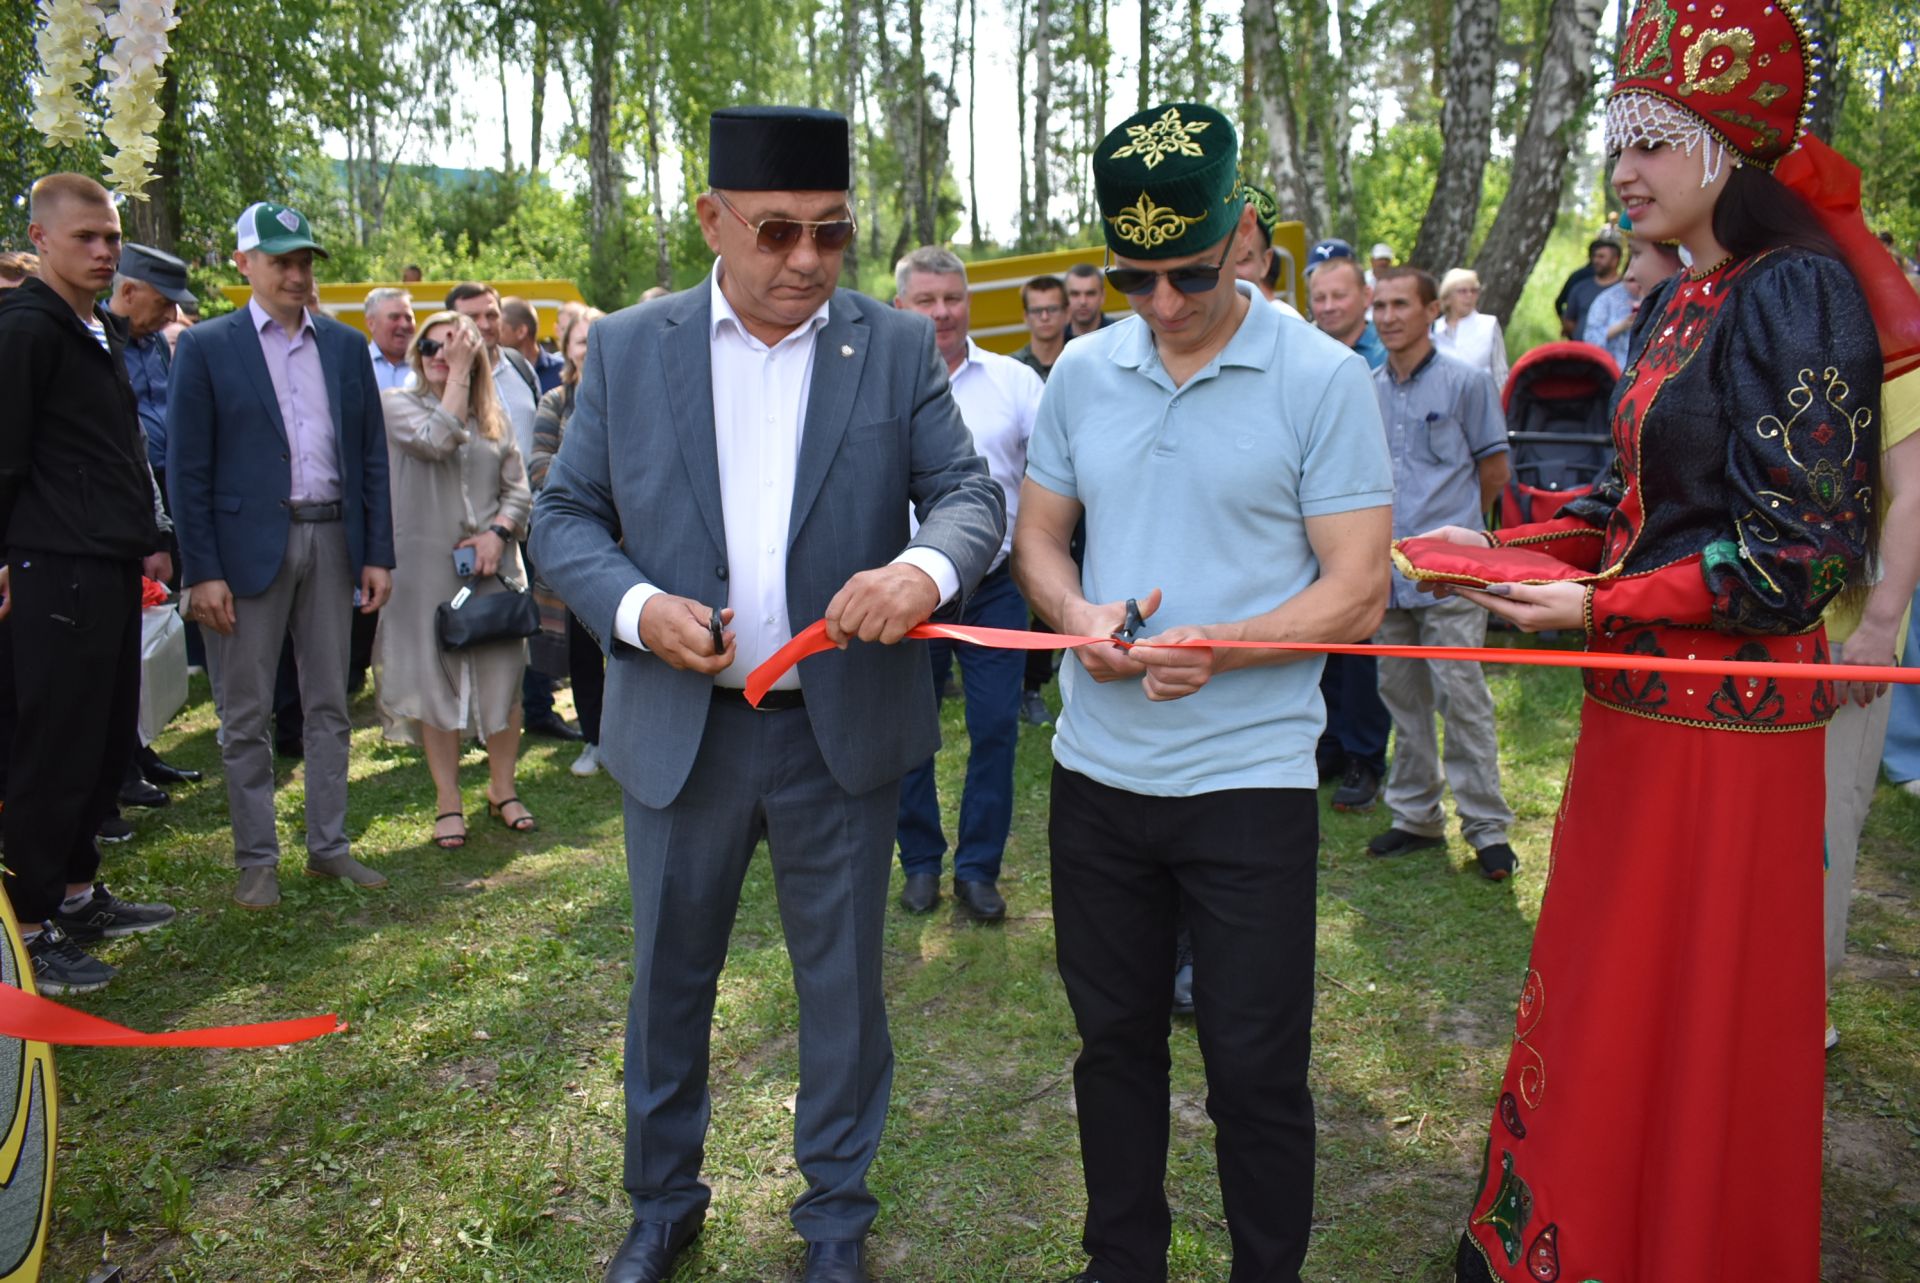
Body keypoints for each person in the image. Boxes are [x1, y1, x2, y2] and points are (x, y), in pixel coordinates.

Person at [1443, 4, 1914, 1274]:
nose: (1625, 170)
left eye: (1654, 139)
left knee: (1691, 1004)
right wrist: (1491, 550)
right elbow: (1632, 508)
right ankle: (1579, 1232)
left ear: (1729, 151)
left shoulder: (1797, 292)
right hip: (1638, 712)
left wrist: (1597, 605)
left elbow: (1794, 558)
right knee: (1608, 991)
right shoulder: (1676, 301)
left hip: (1728, 737)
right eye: (1620, 141)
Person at [530, 105, 1002, 1283]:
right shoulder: (634, 348)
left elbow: (967, 495)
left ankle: (835, 1217)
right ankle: (661, 1200)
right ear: (712, 219)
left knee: (841, 989)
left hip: (835, 736)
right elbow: (564, 517)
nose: (805, 261)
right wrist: (639, 610)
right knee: (666, 981)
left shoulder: (891, 345)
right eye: (778, 232)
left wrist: (921, 566)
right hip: (682, 732)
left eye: (831, 235)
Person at [1014, 102, 1392, 1283]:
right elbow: (1041, 540)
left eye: (1187, 272)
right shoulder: (1083, 368)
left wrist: (1222, 646)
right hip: (1098, 778)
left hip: (1250, 784)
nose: (1164, 303)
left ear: (1243, 235)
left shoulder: (1324, 379)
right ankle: (1122, 1261)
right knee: (1113, 1046)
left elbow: (1360, 591)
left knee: (1255, 1064)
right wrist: (1078, 618)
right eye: (1133, 277)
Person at [167, 201, 396, 909]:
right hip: (242, 551)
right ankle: (256, 861)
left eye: (304, 261)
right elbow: (188, 469)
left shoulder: (343, 345)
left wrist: (377, 552)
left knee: (331, 701)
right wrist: (201, 569)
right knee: (244, 712)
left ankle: (328, 846)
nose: (297, 274)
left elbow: (369, 457)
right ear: (244, 264)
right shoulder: (207, 347)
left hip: (332, 536)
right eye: (282, 261)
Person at [0, 173, 178, 993]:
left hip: (106, 565)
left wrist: (147, 539)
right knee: (53, 748)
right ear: (40, 239)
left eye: (111, 237)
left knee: (105, 739)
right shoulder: (25, 329)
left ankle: (76, 893)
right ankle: (29, 929)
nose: (105, 251)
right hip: (51, 570)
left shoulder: (98, 328)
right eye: (87, 238)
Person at [891, 246, 1043, 922]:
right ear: (902, 306)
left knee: (994, 729)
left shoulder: (1015, 383)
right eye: (926, 300)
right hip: (902, 591)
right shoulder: (876, 386)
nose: (942, 311)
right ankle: (920, 862)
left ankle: (977, 870)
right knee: (906, 734)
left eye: (952, 297)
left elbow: (1052, 481)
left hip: (995, 587)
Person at [1364, 267, 1518, 879]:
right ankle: (1415, 816)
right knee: (1401, 695)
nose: (1387, 316)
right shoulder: (1366, 388)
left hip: (1450, 576)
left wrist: (1458, 542)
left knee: (1462, 696)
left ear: (1432, 310)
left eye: (1401, 304)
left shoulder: (1467, 382)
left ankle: (1486, 828)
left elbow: (1495, 473)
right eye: (1379, 305)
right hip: (1387, 573)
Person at [375, 313, 536, 847]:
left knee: (502, 681)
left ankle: (502, 788)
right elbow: (436, 440)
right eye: (430, 346)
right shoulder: (397, 404)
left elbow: (519, 490)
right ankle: (448, 801)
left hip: (494, 571)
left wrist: (497, 533)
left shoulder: (495, 416)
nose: (440, 355)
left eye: (454, 346)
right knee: (436, 684)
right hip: (427, 575)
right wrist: (462, 375)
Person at [447, 281, 577, 742]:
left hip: (534, 512)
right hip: (479, 523)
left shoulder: (519, 365)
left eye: (491, 314)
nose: (485, 324)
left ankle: (537, 709)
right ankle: (472, 724)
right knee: (479, 622)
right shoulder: (443, 374)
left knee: (537, 618)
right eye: (473, 316)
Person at [106, 244, 204, 795]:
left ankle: (139, 750)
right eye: (164, 304)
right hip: (122, 500)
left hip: (164, 487)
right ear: (130, 291)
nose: (171, 317)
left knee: (145, 626)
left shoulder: (157, 347)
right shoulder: (100, 340)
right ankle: (116, 767)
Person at [1307, 253, 1392, 809]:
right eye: (1320, 298)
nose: (1330, 306)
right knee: (1323, 642)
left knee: (1364, 646)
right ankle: (1332, 743)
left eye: (1341, 295)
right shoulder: (1304, 359)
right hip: (1315, 522)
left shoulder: (1385, 360)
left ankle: (1365, 755)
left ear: (1364, 296)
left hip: (1369, 520)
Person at [528, 305, 609, 777]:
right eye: (583, 341)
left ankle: (629, 739)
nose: (592, 349)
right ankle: (594, 738)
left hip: (632, 547)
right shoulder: (556, 402)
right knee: (582, 651)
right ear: (570, 352)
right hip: (581, 548)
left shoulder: (639, 398)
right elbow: (539, 465)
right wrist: (592, 490)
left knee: (633, 652)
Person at [1431, 268, 1508, 388]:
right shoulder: (1433, 329)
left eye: (1474, 291)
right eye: (1462, 291)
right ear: (1447, 297)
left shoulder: (1488, 324)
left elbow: (1500, 372)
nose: (1469, 296)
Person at [1236, 183, 1305, 318]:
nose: (1229, 272)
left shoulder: (1288, 328)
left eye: (1242, 259)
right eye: (1219, 259)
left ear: (1265, 263)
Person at [1557, 234, 1622, 339]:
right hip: (1580, 349)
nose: (1596, 260)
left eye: (1601, 257)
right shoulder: (1580, 287)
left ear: (1615, 260)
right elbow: (1568, 316)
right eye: (1595, 256)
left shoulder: (1626, 291)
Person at [500, 295, 565, 394]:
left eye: (500, 329)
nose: (493, 334)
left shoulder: (563, 372)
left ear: (521, 331)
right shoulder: (496, 375)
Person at [1011, 274, 1067, 380]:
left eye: (1052, 309)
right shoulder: (1010, 368)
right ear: (1025, 316)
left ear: (1067, 313)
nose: (1044, 317)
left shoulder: (1081, 363)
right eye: (1036, 311)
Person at [365, 287, 416, 391]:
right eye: (394, 317)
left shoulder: (428, 365)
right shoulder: (356, 366)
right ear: (371, 324)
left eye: (408, 318)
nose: (404, 324)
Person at [1063, 262, 1112, 337]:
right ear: (1065, 297)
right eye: (1075, 294)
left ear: (1102, 296)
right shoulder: (1054, 340)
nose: (1083, 301)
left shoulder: (1119, 336)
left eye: (1090, 294)